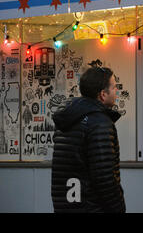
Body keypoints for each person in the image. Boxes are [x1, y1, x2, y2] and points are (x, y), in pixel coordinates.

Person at [51, 67, 126, 213]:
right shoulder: (99, 123)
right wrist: (119, 209)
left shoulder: (68, 118)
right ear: (103, 95)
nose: (117, 90)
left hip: (66, 206)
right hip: (92, 208)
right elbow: (105, 179)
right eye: (114, 87)